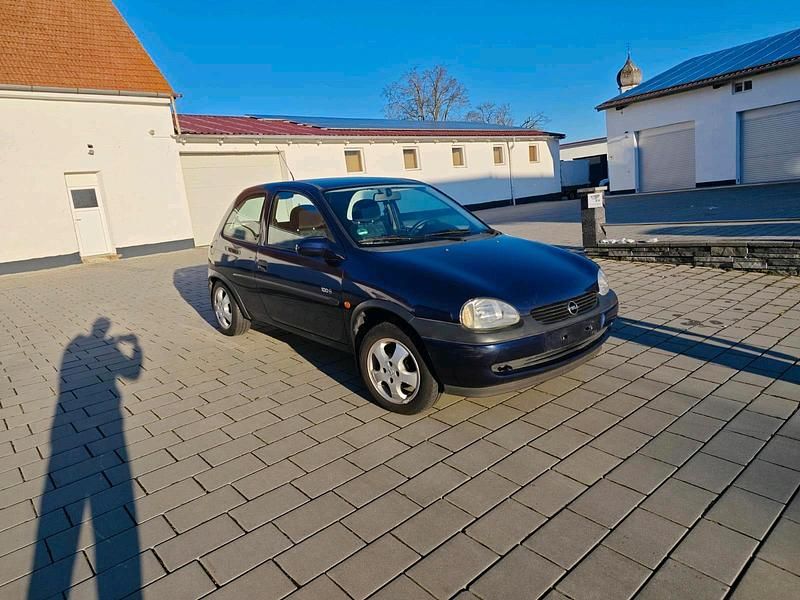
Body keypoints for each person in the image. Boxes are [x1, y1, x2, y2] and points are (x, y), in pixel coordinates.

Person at [27, 318, 143, 599]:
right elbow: (132, 374)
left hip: (62, 426)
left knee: (55, 520)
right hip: (110, 422)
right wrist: (136, 348)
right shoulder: (102, 347)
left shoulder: (74, 345)